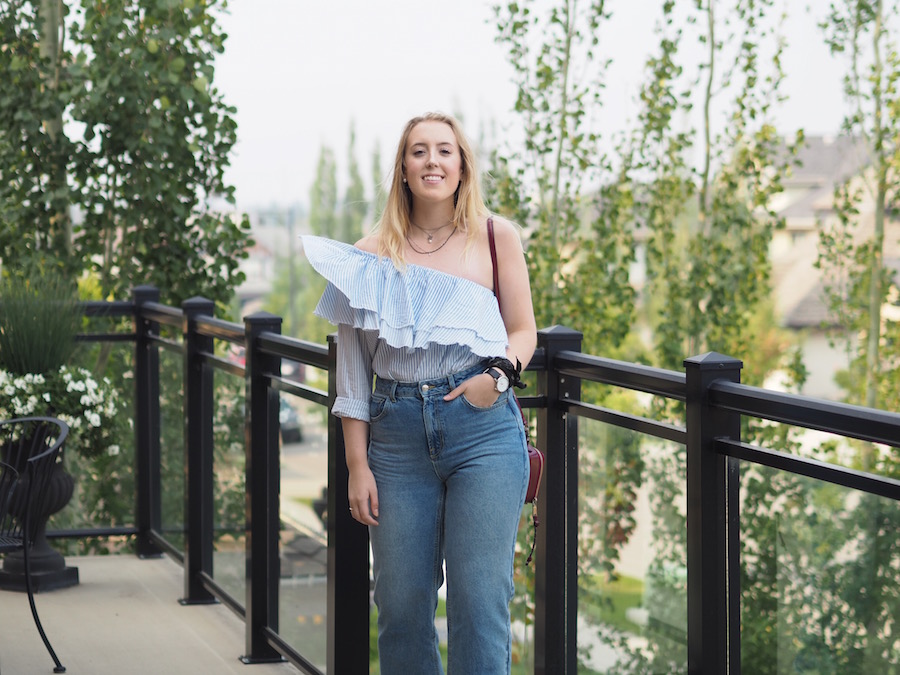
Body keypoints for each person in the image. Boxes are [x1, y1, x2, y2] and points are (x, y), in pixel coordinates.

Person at [301, 111, 536, 673]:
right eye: (419, 151)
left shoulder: (496, 238)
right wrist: (357, 464)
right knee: (401, 607)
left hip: (482, 429)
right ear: (403, 170)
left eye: (445, 151)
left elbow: (524, 330)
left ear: (462, 166)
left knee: (480, 604)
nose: (433, 161)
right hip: (395, 437)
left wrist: (495, 378)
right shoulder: (368, 253)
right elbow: (353, 367)